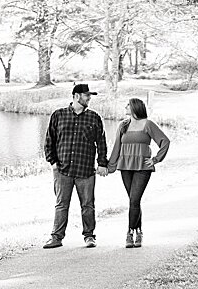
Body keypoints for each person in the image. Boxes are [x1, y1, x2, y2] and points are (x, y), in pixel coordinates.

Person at [42, 82, 110, 249]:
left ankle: (89, 236)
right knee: (61, 204)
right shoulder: (58, 115)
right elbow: (49, 140)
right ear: (77, 96)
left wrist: (102, 163)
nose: (89, 98)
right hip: (62, 169)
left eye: (89, 96)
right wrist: (52, 162)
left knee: (87, 205)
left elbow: (101, 142)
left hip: (85, 170)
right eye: (87, 95)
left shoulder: (94, 117)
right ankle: (56, 237)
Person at [108, 97, 171, 248]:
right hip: (125, 167)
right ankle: (139, 232)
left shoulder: (148, 124)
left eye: (127, 105)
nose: (125, 107)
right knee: (133, 201)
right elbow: (117, 147)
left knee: (134, 200)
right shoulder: (123, 125)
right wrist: (109, 166)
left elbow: (165, 141)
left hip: (142, 168)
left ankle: (130, 233)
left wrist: (156, 159)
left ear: (135, 107)